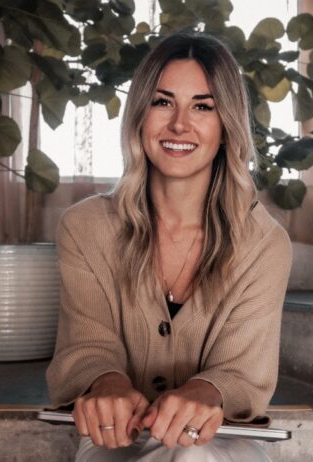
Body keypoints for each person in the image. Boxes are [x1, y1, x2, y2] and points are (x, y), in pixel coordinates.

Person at [46, 32, 292, 461]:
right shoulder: (84, 228)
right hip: (118, 436)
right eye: (163, 102)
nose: (180, 124)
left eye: (202, 106)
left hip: (221, 439)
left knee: (192, 457)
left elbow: (242, 371)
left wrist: (203, 391)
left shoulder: (264, 244)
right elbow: (86, 346)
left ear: (226, 126)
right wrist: (107, 385)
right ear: (140, 115)